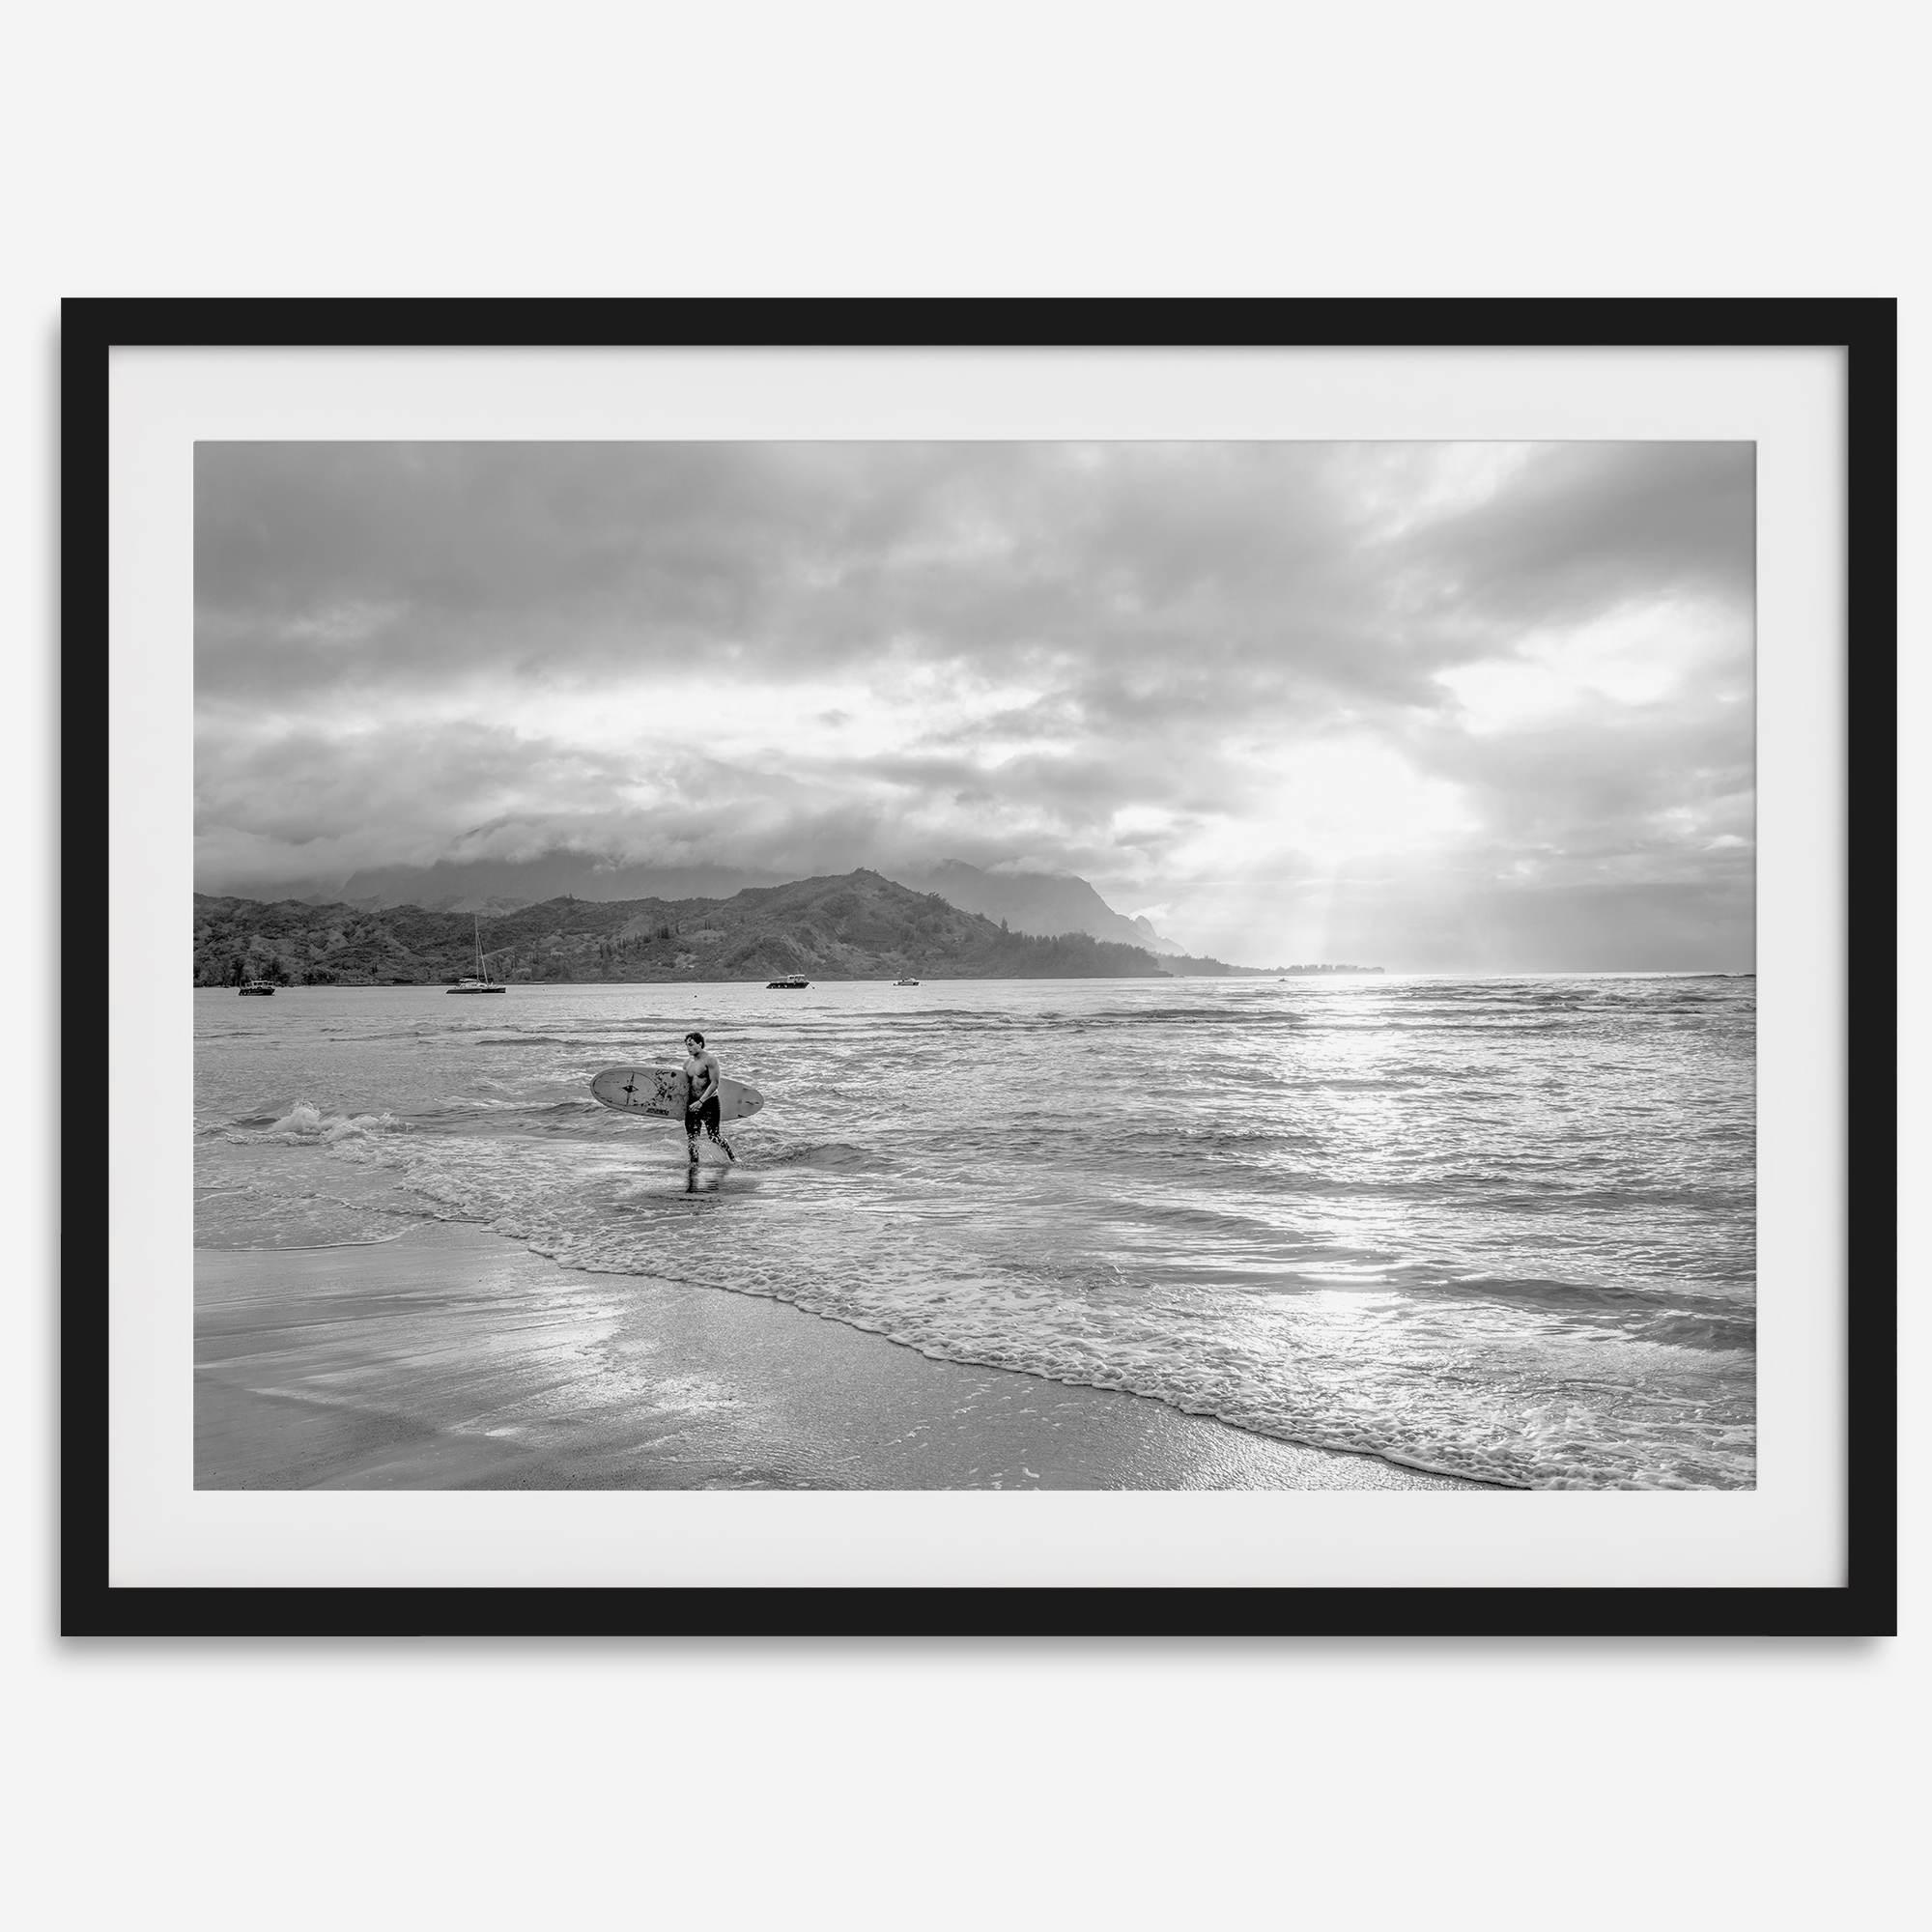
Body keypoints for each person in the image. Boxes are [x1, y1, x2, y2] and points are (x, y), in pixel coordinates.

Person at [681, 1030, 736, 1164]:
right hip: (692, 1102)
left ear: (700, 1044)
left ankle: (733, 1159)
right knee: (692, 1138)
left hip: (709, 1102)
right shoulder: (687, 1063)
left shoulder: (710, 1060)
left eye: (692, 1044)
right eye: (687, 1045)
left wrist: (701, 1101)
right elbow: (684, 1086)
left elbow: (715, 1083)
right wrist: (680, 1108)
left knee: (714, 1136)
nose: (689, 1048)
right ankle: (694, 1165)